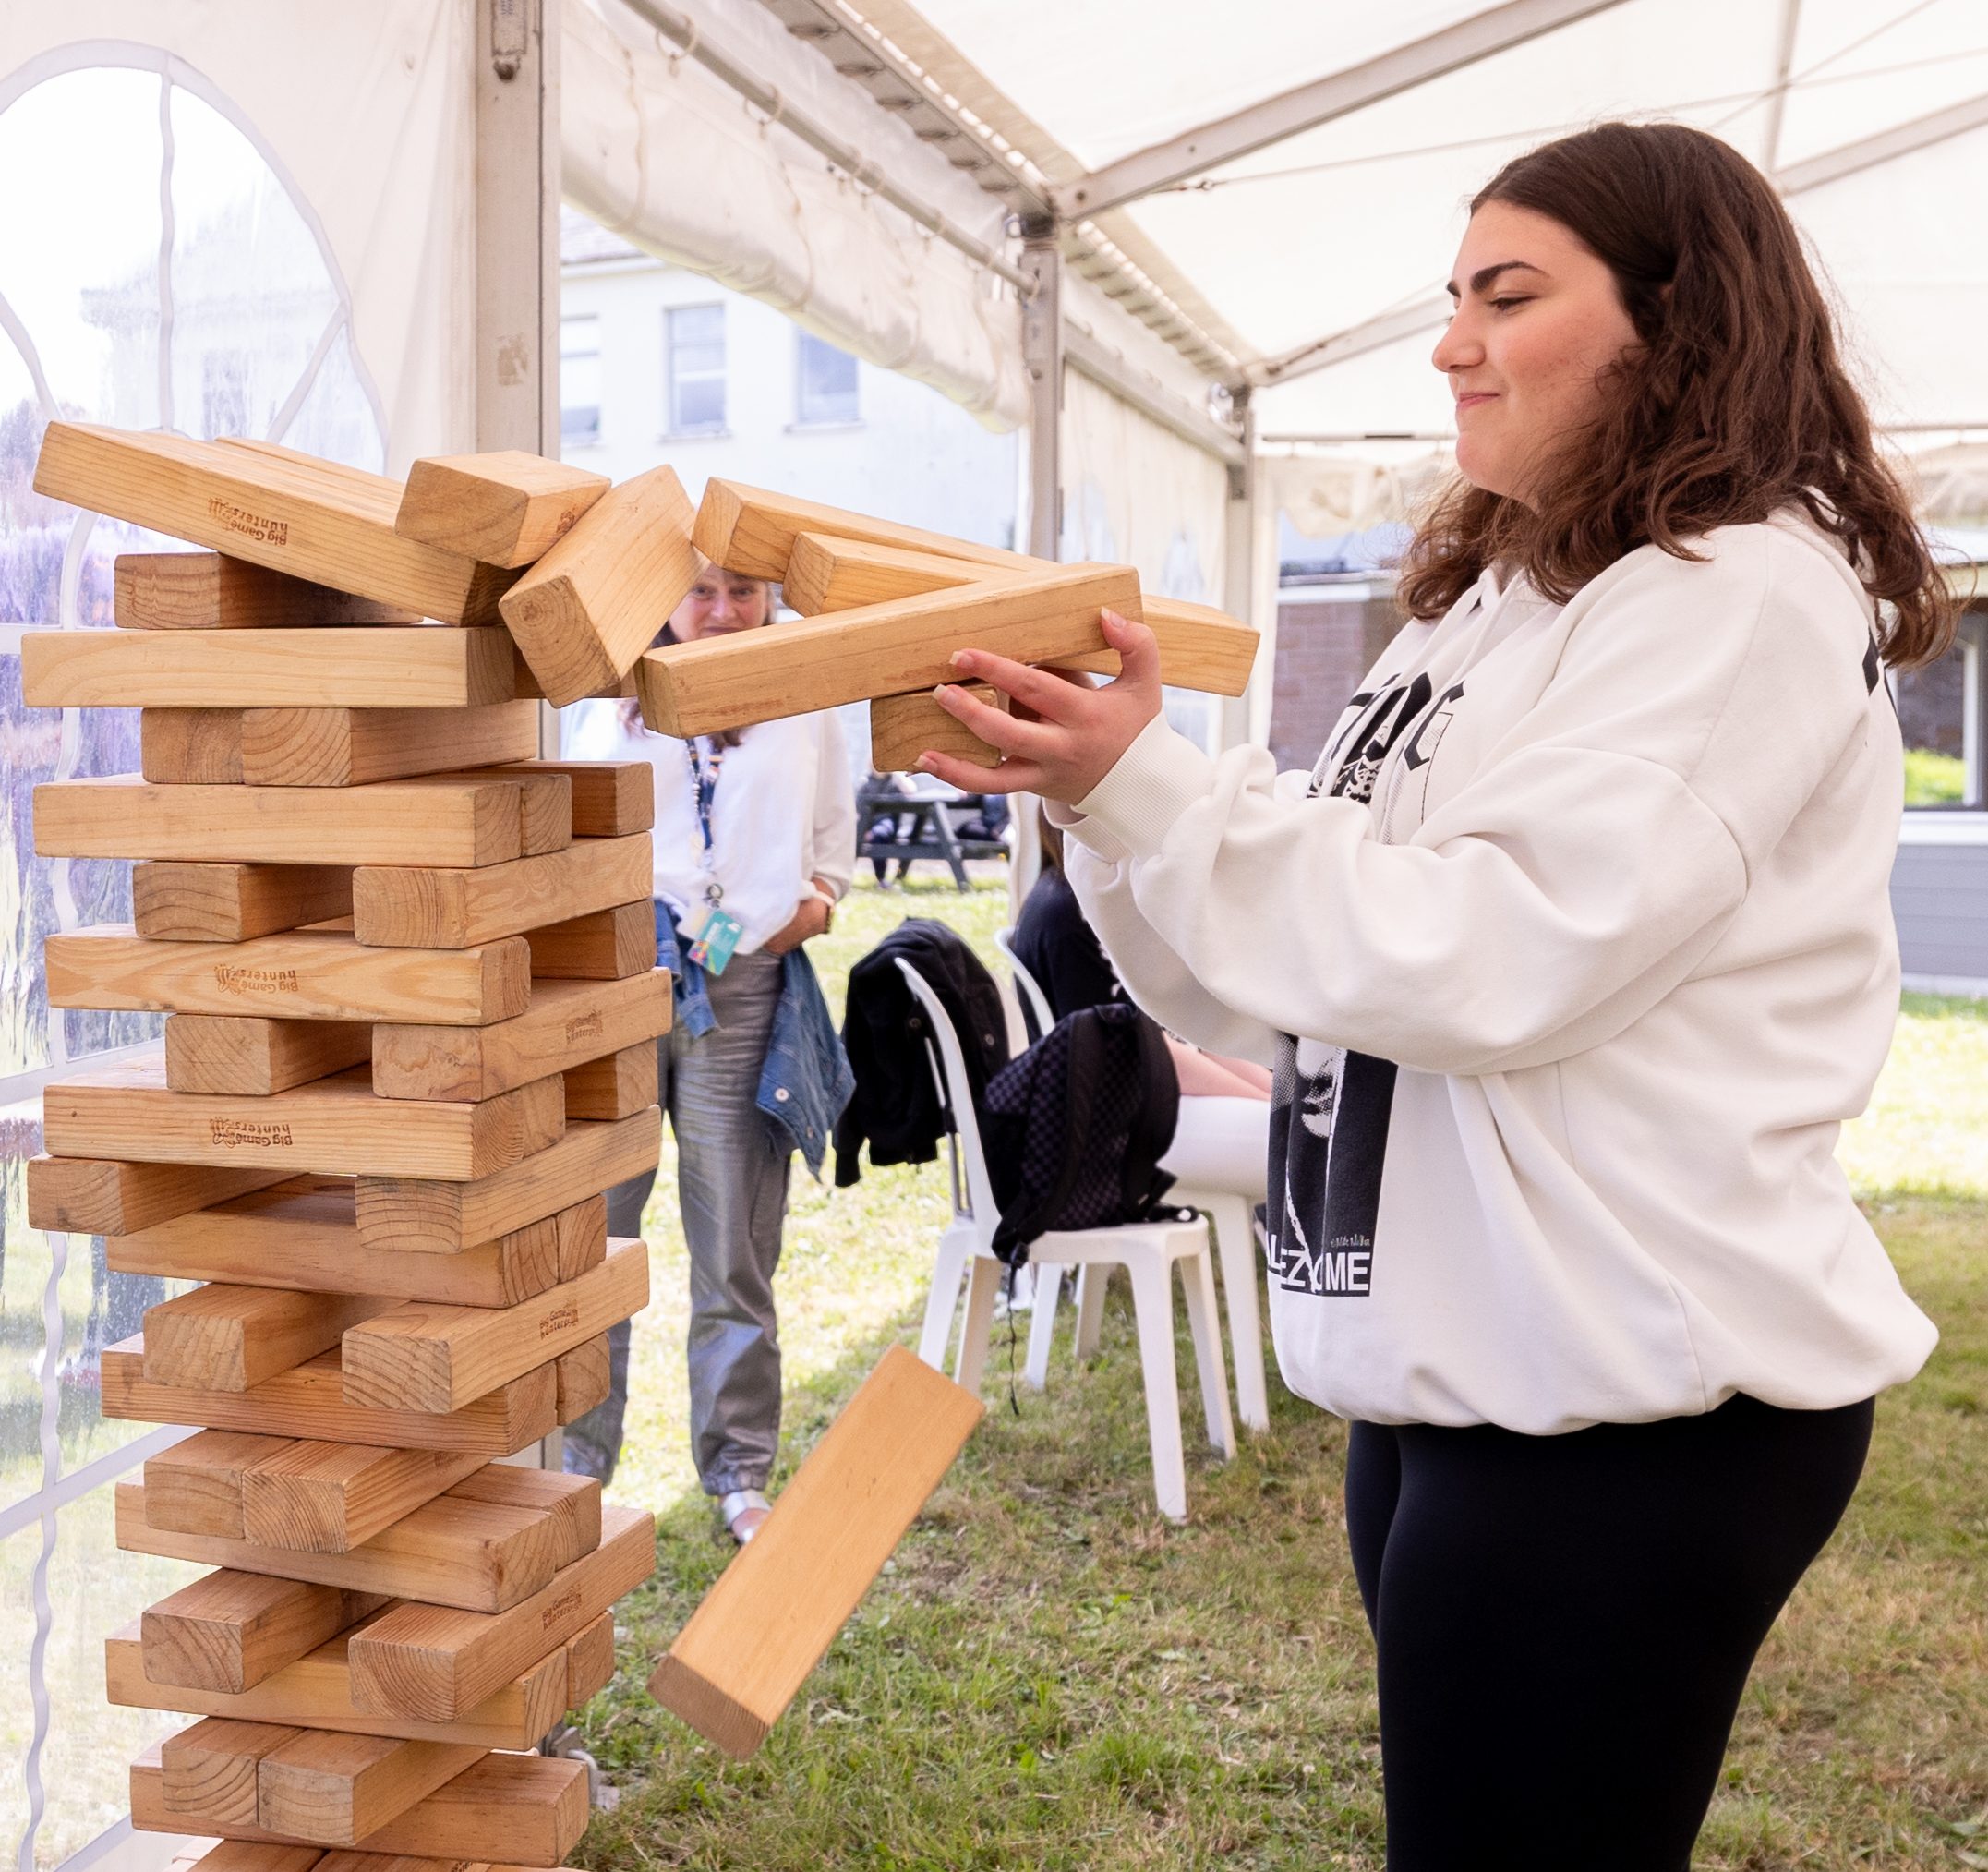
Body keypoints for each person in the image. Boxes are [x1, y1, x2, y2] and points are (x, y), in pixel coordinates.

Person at [912, 122, 1951, 1870]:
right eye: (1449, 297)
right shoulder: (1488, 605)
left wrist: (1159, 787)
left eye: (1507, 294)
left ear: (1672, 322)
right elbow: (1290, 974)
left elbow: (1496, 950)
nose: (1451, 341)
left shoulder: (1736, 594)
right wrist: (1100, 794)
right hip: (1460, 1381)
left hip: (1626, 1414)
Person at [562, 562, 854, 1545]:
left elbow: (832, 849)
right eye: (700, 591)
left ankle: (735, 1470)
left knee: (734, 1244)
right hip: (619, 985)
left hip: (741, 990)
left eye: (743, 591)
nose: (723, 611)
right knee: (592, 1243)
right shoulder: (614, 696)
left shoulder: (804, 695)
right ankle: (573, 1468)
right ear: (662, 599)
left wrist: (801, 912)